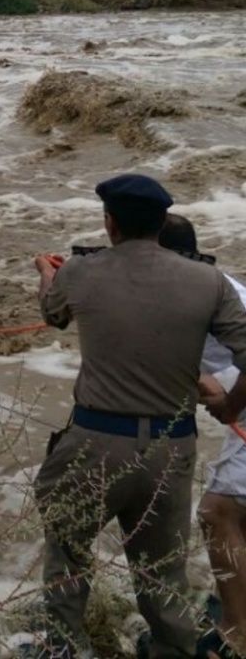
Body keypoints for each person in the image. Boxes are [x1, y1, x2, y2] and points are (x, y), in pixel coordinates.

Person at [28, 174, 246, 659]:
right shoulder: (209, 281)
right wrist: (231, 407)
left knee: (68, 554)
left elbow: (52, 313)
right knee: (162, 570)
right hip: (171, 448)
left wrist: (46, 271)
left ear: (110, 223)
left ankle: (65, 649)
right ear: (162, 222)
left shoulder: (80, 271)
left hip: (94, 442)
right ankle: (173, 650)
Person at [159, 213, 246, 659]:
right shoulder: (210, 283)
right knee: (239, 514)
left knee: (217, 512)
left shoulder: (189, 291)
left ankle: (236, 635)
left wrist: (229, 405)